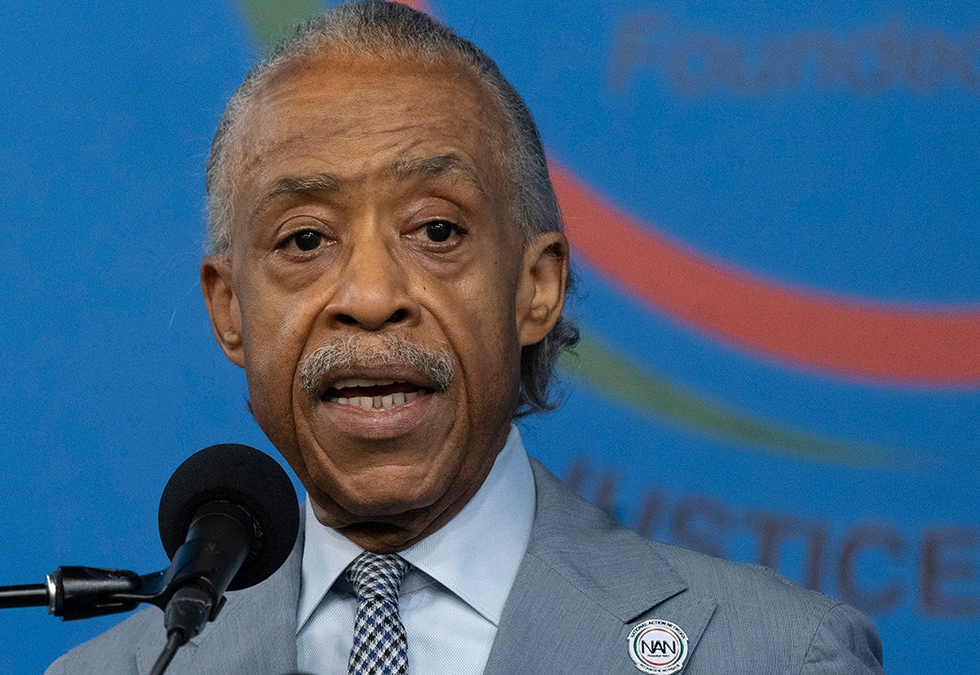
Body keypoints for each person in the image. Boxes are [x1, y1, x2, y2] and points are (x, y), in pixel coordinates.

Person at [48, 2, 884, 673]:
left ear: (536, 286)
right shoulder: (128, 667)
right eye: (304, 240)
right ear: (230, 309)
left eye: (437, 230)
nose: (371, 297)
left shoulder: (774, 653)